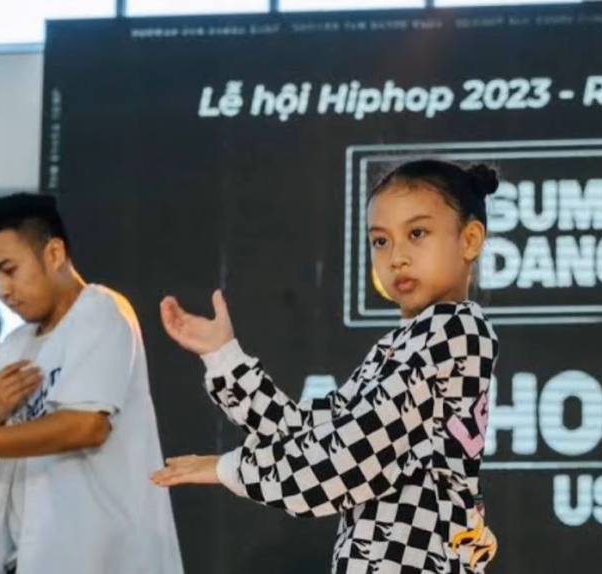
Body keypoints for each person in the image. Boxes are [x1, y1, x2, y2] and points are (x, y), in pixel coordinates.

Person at [151, 160, 502, 573]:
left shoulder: (455, 330)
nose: (397, 258)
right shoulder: (403, 344)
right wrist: (224, 357)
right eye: (380, 241)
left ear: (470, 239)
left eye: (417, 233)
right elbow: (312, 433)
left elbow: (345, 463)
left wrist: (229, 468)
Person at [0, 193, 184, 574]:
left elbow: (86, 426)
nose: (2, 289)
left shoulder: (99, 309)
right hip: (26, 551)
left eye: (9, 270)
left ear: (53, 254)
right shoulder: (16, 343)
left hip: (101, 553)